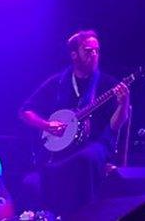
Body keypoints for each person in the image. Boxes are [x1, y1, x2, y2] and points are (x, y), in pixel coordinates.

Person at [19, 29, 130, 213]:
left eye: (97, 51)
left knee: (84, 159)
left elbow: (116, 125)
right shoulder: (58, 83)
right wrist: (47, 125)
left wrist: (123, 104)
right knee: (34, 178)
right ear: (74, 55)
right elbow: (25, 111)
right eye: (88, 51)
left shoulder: (108, 84)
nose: (94, 55)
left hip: (96, 146)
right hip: (61, 149)